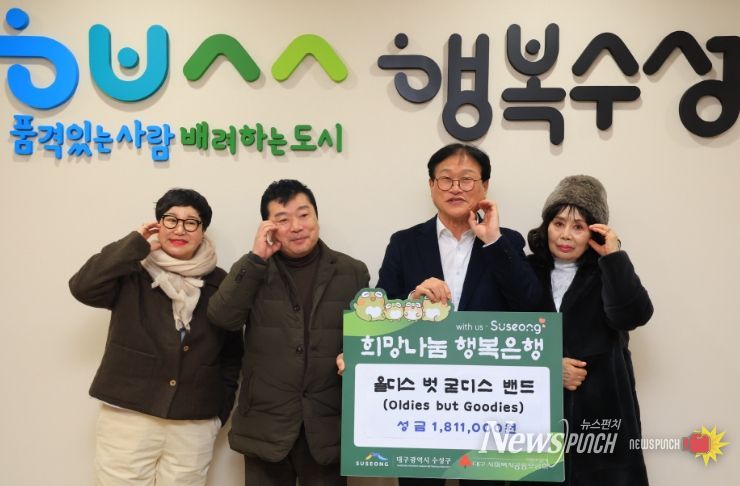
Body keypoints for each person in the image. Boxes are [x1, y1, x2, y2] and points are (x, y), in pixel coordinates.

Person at [376, 143, 543, 486]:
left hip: (487, 402)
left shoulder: (507, 242)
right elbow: (379, 314)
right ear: (431, 185)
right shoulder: (404, 243)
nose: (455, 188)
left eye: (467, 180)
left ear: (485, 186)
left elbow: (533, 309)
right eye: (446, 179)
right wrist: (412, 300)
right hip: (421, 400)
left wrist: (493, 240)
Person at [69, 188, 243, 486]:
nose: (180, 229)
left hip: (193, 422)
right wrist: (134, 242)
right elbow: (83, 287)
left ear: (202, 231)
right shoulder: (132, 270)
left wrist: (218, 413)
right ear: (157, 225)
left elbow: (232, 353)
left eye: (191, 222)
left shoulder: (220, 282)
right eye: (171, 219)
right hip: (129, 415)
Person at [207, 179, 370, 486]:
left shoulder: (352, 271)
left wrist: (353, 355)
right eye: (283, 219)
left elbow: (367, 336)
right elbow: (222, 317)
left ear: (316, 217)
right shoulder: (254, 269)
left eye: (304, 215)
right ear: (268, 227)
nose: (296, 227)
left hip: (327, 424)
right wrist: (256, 258)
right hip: (266, 425)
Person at [526, 175, 652, 486]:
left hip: (601, 416)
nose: (565, 235)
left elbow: (633, 315)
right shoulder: (526, 271)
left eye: (578, 226)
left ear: (593, 232)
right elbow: (503, 336)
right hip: (536, 416)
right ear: (546, 226)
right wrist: (549, 368)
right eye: (558, 223)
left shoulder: (607, 272)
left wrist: (613, 257)